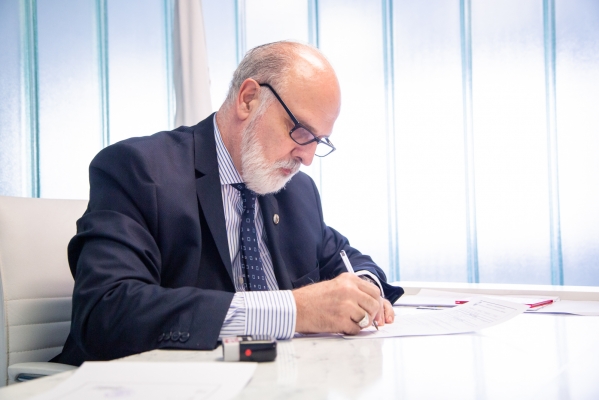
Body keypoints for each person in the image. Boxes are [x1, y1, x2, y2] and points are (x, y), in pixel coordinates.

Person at [52, 41, 403, 366]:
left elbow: (346, 259)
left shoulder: (296, 191)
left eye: (319, 141)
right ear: (248, 99)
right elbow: (106, 313)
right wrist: (292, 309)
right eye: (300, 132)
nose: (308, 158)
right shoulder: (140, 170)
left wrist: (364, 289)